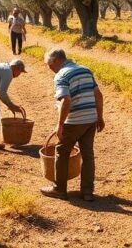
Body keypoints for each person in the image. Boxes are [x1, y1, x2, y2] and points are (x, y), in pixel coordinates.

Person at [40, 48, 104, 201]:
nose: (49, 68)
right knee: (88, 154)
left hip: (74, 120)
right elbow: (98, 95)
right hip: (90, 119)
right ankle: (87, 191)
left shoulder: (61, 75)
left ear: (56, 61)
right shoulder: (85, 70)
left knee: (61, 152)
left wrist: (60, 125)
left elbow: (66, 100)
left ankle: (59, 189)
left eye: (49, 64)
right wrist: (100, 117)